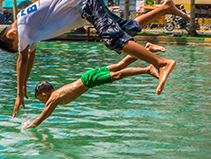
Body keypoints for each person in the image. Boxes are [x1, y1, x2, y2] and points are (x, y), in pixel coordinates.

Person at [0, 0, 190, 117]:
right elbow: (29, 57)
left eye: (18, 44)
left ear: (12, 35)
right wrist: (22, 87)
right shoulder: (29, 29)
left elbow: (22, 59)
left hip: (85, 2)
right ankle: (166, 8)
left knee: (112, 38)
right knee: (127, 29)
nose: (23, 46)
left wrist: (19, 93)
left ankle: (161, 63)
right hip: (86, 3)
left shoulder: (22, 25)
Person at [27, 43, 165, 128]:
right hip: (88, 76)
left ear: (44, 94)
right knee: (119, 66)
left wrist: (28, 127)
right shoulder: (55, 95)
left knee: (118, 74)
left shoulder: (53, 98)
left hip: (89, 80)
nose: (43, 102)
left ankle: (147, 69)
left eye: (40, 99)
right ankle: (148, 49)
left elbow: (41, 118)